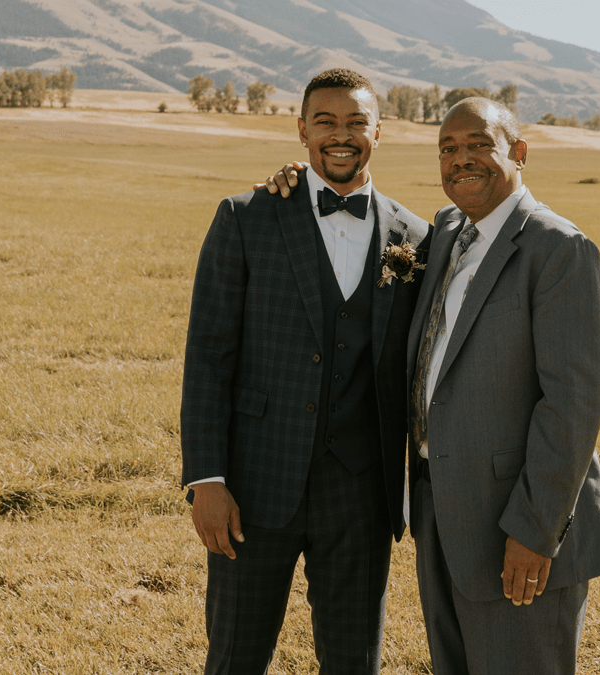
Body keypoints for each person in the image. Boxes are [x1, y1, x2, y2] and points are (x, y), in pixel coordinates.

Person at [265, 97, 600, 674]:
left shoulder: (559, 250)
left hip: (518, 525)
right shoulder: (448, 230)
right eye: (448, 149)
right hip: (440, 514)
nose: (462, 160)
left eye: (480, 144)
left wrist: (535, 529)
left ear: (519, 153)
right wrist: (299, 179)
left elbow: (573, 406)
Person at [180, 68, 430, 675]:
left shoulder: (416, 237)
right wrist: (206, 478)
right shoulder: (246, 218)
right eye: (325, 122)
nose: (340, 136)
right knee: (235, 657)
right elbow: (209, 356)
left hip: (362, 493)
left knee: (353, 661)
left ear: (379, 132)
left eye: (355, 123)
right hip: (253, 484)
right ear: (301, 131)